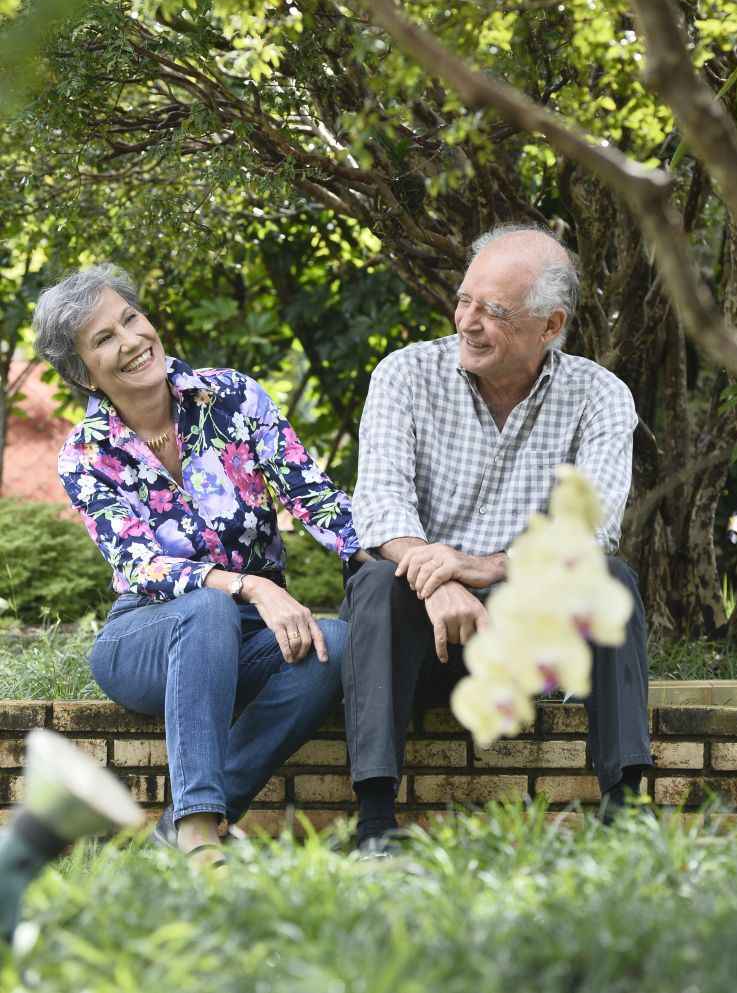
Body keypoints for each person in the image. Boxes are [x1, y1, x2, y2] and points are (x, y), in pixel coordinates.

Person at [34, 264, 367, 867]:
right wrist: (249, 587)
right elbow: (138, 563)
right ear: (84, 372)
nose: (131, 340)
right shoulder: (85, 455)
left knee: (334, 644)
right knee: (209, 604)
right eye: (104, 339)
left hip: (243, 640)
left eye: (130, 319)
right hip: (146, 639)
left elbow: (314, 498)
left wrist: (402, 554)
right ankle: (198, 834)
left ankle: (180, 826)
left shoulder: (232, 396)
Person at [343, 224, 652, 853]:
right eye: (464, 300)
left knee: (611, 581)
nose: (468, 321)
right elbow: (378, 508)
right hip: (418, 627)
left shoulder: (599, 396)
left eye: (495, 310)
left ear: (550, 324)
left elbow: (591, 530)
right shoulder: (404, 374)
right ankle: (374, 822)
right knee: (376, 580)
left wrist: (485, 568)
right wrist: (436, 578)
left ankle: (627, 812)